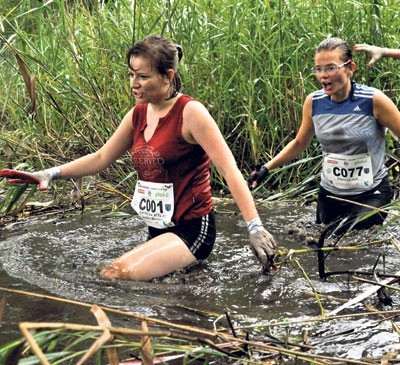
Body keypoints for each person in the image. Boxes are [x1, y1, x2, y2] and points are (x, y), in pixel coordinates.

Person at [1, 34, 277, 281]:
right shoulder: (138, 114)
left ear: (167, 76)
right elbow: (100, 158)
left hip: (192, 229)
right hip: (158, 227)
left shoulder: (191, 113)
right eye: (131, 74)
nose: (134, 83)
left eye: (142, 77)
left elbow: (229, 170)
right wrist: (51, 173)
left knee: (114, 274)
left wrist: (255, 228)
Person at [249, 37, 400, 233]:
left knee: (337, 237)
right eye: (318, 69)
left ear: (350, 68)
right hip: (330, 193)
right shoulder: (314, 102)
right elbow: (299, 142)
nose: (323, 76)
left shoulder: (373, 100)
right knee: (323, 244)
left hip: (372, 194)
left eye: (330, 68)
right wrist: (266, 168)